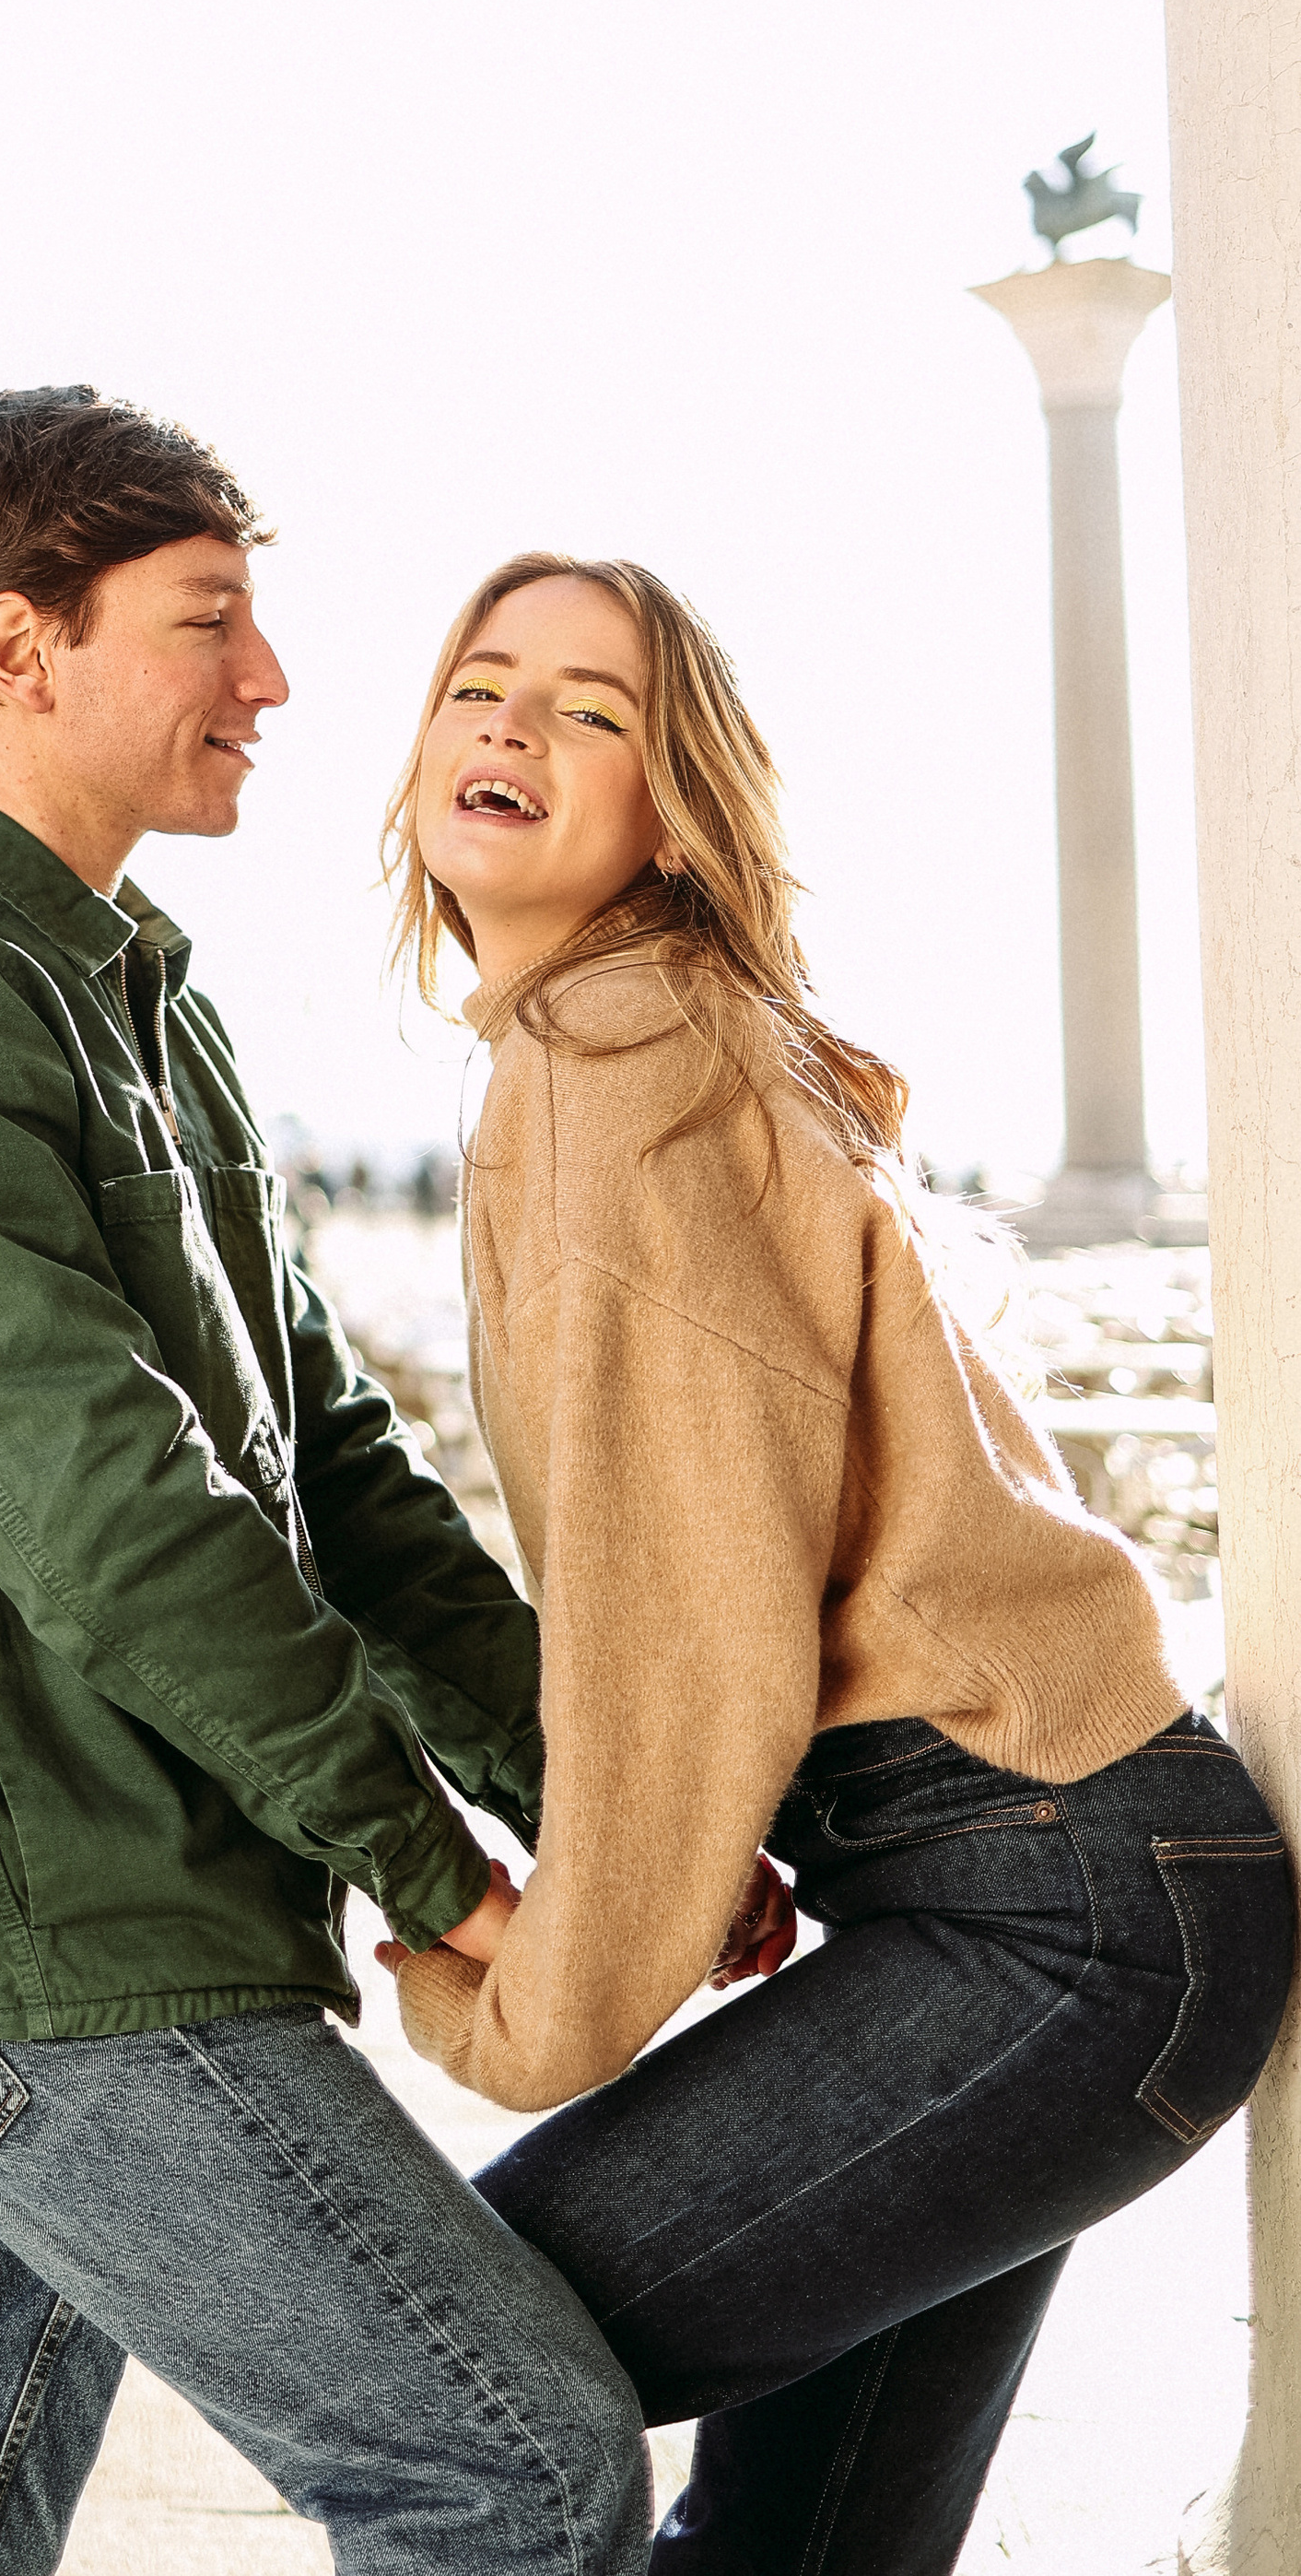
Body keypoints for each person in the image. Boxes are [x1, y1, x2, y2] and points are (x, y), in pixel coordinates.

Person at [0, 394, 651, 2576]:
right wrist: (429, 1862)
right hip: (45, 1930)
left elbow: (336, 1473)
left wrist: (603, 1805)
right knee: (512, 2474)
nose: (271, 679)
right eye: (206, 620)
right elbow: (115, 1515)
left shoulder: (141, 999)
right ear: (18, 649)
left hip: (52, 1929)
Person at [374, 552, 1296, 2574]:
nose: (513, 725)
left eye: (592, 710)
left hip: (1050, 1924)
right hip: (1057, 1900)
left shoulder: (610, 1068)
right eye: (479, 684)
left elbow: (687, 1628)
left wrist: (523, 2007)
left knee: (422, 2369)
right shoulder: (658, 1042)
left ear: (670, 813)